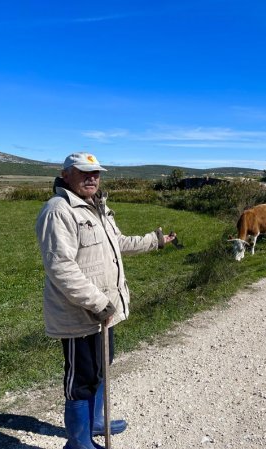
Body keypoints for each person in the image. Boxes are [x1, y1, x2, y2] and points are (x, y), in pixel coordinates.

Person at [35, 152, 176, 449]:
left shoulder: (98, 207)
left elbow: (117, 243)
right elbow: (61, 268)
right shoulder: (58, 210)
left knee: (102, 367)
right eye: (84, 172)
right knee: (82, 378)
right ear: (66, 175)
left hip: (105, 311)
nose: (92, 178)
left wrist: (154, 241)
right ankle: (78, 443)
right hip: (80, 315)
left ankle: (95, 422)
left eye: (96, 173)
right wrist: (98, 303)